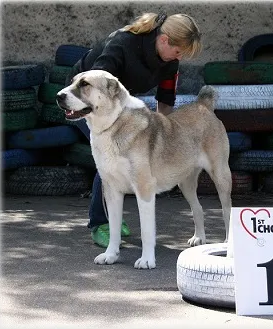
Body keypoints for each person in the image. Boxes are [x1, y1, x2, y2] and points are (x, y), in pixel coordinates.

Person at [66, 12, 202, 248]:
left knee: (126, 152)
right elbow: (95, 85)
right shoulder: (122, 44)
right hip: (83, 100)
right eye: (178, 52)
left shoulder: (170, 62)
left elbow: (166, 101)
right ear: (164, 40)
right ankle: (100, 223)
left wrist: (165, 136)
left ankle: (113, 218)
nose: (178, 58)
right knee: (110, 154)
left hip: (117, 103)